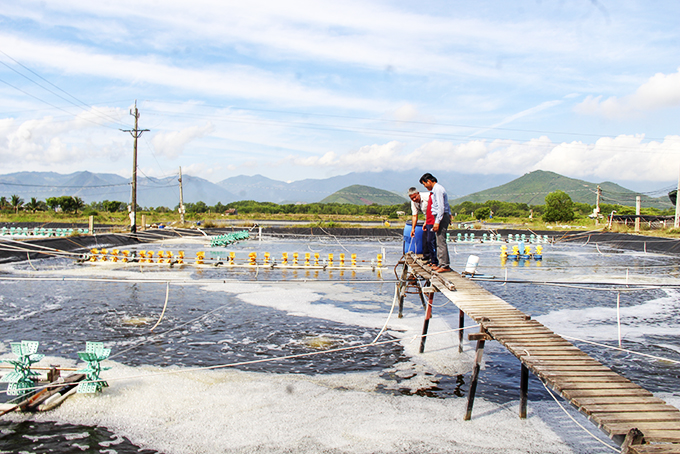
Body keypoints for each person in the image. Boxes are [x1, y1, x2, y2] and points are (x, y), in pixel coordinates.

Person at [419, 173, 451, 272]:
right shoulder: (436, 190)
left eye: (425, 184)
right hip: (439, 216)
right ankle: (441, 263)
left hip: (440, 217)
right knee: (438, 241)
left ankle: (444, 265)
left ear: (429, 181)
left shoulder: (438, 189)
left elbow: (441, 207)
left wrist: (437, 222)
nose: (425, 186)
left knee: (441, 241)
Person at [408, 187, 437, 265]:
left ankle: (434, 259)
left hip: (434, 218)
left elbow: (434, 209)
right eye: (412, 198)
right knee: (425, 238)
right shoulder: (413, 202)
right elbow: (414, 215)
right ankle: (427, 256)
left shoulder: (428, 196)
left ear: (418, 193)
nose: (414, 199)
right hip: (427, 219)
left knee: (430, 240)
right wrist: (413, 229)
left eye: (415, 197)